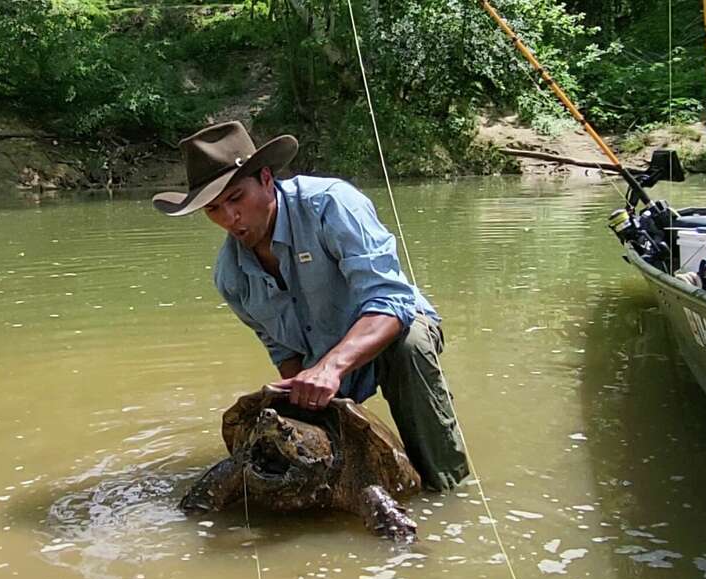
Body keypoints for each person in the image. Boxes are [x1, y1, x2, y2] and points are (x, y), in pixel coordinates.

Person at [153, 121, 469, 491]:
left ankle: (446, 487)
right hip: (319, 360)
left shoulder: (331, 204)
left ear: (266, 178)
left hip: (386, 330)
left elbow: (391, 300)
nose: (229, 218)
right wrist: (303, 397)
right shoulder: (231, 276)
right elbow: (282, 348)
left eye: (236, 198)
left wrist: (330, 368)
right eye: (213, 209)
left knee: (410, 343)